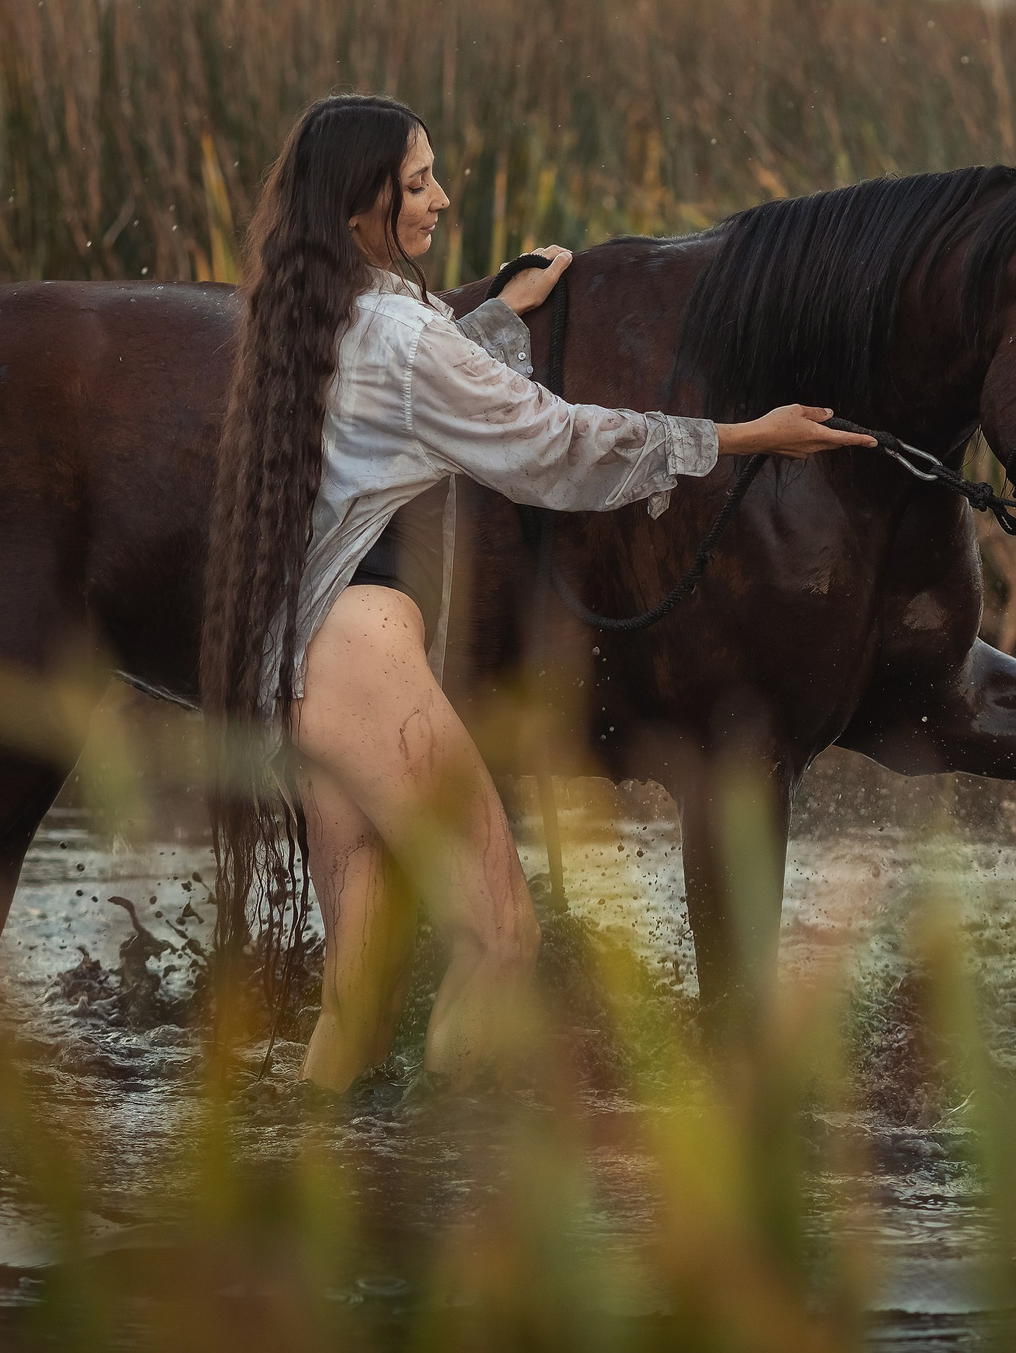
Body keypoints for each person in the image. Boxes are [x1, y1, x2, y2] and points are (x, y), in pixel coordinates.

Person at [198, 93, 870, 1091]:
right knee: (502, 939)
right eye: (418, 183)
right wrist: (741, 438)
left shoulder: (316, 318)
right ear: (356, 209)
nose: (442, 200)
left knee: (354, 1000)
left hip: (304, 677)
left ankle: (312, 1200)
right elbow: (553, 446)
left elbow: (427, 385)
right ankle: (446, 1187)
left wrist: (497, 318)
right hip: (368, 668)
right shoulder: (405, 339)